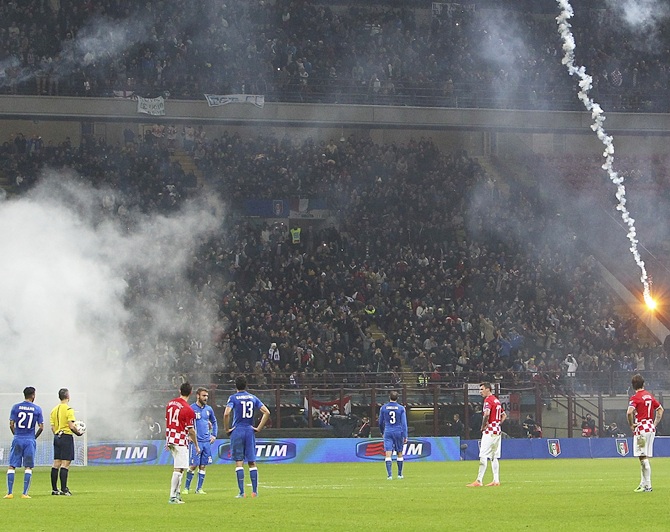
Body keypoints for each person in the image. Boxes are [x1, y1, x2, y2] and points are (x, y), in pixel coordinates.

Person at [223, 375, 270, 498]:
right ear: (246, 385)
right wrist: (258, 428)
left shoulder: (233, 398)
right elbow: (267, 412)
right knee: (252, 462)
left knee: (239, 462)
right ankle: (254, 492)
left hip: (238, 430)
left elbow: (227, 413)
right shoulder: (252, 398)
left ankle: (241, 492)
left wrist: (227, 429)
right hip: (249, 431)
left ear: (235, 385)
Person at [627, 374, 664, 492]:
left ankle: (648, 485)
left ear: (633, 386)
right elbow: (660, 409)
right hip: (650, 428)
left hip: (641, 428)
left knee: (642, 457)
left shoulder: (635, 397)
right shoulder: (649, 396)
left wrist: (631, 425)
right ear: (644, 384)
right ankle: (643, 483)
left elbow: (629, 412)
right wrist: (654, 424)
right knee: (644, 456)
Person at [5, 387, 43, 499]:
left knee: (12, 465)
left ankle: (9, 493)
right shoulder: (37, 409)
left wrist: (16, 435)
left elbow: (11, 424)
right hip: (29, 439)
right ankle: (25, 493)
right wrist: (33, 437)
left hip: (18, 438)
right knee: (28, 466)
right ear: (33, 395)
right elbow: (41, 427)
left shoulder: (15, 407)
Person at [467, 382, 507, 487]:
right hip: (497, 431)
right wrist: (497, 424)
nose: (480, 392)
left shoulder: (488, 400)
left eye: (481, 389)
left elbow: (486, 414)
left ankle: (479, 481)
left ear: (488, 389)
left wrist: (483, 426)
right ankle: (496, 480)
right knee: (494, 456)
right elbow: (504, 415)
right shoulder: (496, 400)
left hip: (489, 431)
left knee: (483, 455)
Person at [165, 382, 199, 504]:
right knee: (178, 469)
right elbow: (191, 430)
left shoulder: (170, 404)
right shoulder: (188, 409)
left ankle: (177, 494)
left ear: (180, 391)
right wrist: (196, 444)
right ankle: (172, 496)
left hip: (171, 437)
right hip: (180, 440)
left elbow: (169, 422)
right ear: (191, 393)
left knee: (181, 468)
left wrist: (167, 439)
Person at [183, 387, 218, 495]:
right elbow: (184, 422)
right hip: (196, 442)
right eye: (203, 395)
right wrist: (186, 435)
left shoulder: (209, 409)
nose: (206, 398)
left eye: (207, 396)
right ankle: (186, 488)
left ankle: (199, 489)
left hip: (206, 442)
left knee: (203, 465)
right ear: (198, 396)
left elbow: (214, 421)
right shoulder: (191, 408)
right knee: (193, 465)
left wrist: (214, 435)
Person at [50, 388, 84, 496]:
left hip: (57, 436)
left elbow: (52, 427)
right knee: (66, 463)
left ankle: (55, 489)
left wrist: (57, 434)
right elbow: (71, 425)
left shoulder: (54, 410)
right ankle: (64, 489)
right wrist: (78, 433)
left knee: (56, 463)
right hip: (66, 436)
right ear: (68, 396)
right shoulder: (69, 409)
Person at [378, 390, 408, 480]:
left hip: (388, 431)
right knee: (399, 453)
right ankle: (399, 475)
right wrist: (405, 435)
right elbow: (404, 424)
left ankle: (389, 475)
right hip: (398, 431)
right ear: (397, 398)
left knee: (388, 453)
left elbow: (380, 422)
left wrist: (382, 432)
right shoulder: (401, 408)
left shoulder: (383, 408)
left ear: (389, 397)